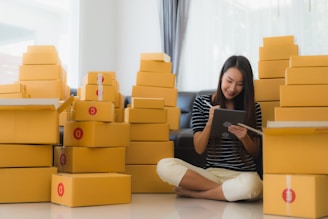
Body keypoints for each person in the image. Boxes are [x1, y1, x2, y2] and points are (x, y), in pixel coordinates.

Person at [156, 55, 263, 202]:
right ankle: (224, 192)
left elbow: (255, 152)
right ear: (221, 77)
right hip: (212, 174)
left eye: (240, 84)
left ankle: (199, 194)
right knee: (164, 165)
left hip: (243, 175)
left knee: (253, 185)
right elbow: (199, 148)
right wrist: (210, 122)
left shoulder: (253, 107)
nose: (232, 88)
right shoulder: (202, 103)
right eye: (229, 81)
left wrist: (245, 137)